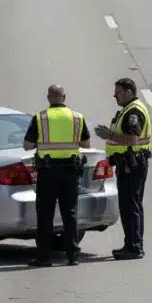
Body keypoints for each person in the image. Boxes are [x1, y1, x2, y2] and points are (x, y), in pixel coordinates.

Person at [23, 85, 90, 267]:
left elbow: (27, 145)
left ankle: (44, 257)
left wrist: (41, 143)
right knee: (70, 213)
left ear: (48, 98)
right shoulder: (77, 117)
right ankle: (73, 255)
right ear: (64, 97)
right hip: (70, 171)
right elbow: (86, 144)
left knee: (45, 214)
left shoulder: (41, 118)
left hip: (48, 172)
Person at [94, 78, 152, 260]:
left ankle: (134, 247)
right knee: (131, 205)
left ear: (129, 92)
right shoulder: (128, 110)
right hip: (130, 163)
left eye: (118, 93)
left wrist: (109, 135)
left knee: (130, 206)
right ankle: (132, 244)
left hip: (131, 164)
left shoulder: (133, 112)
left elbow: (132, 139)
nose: (115, 96)